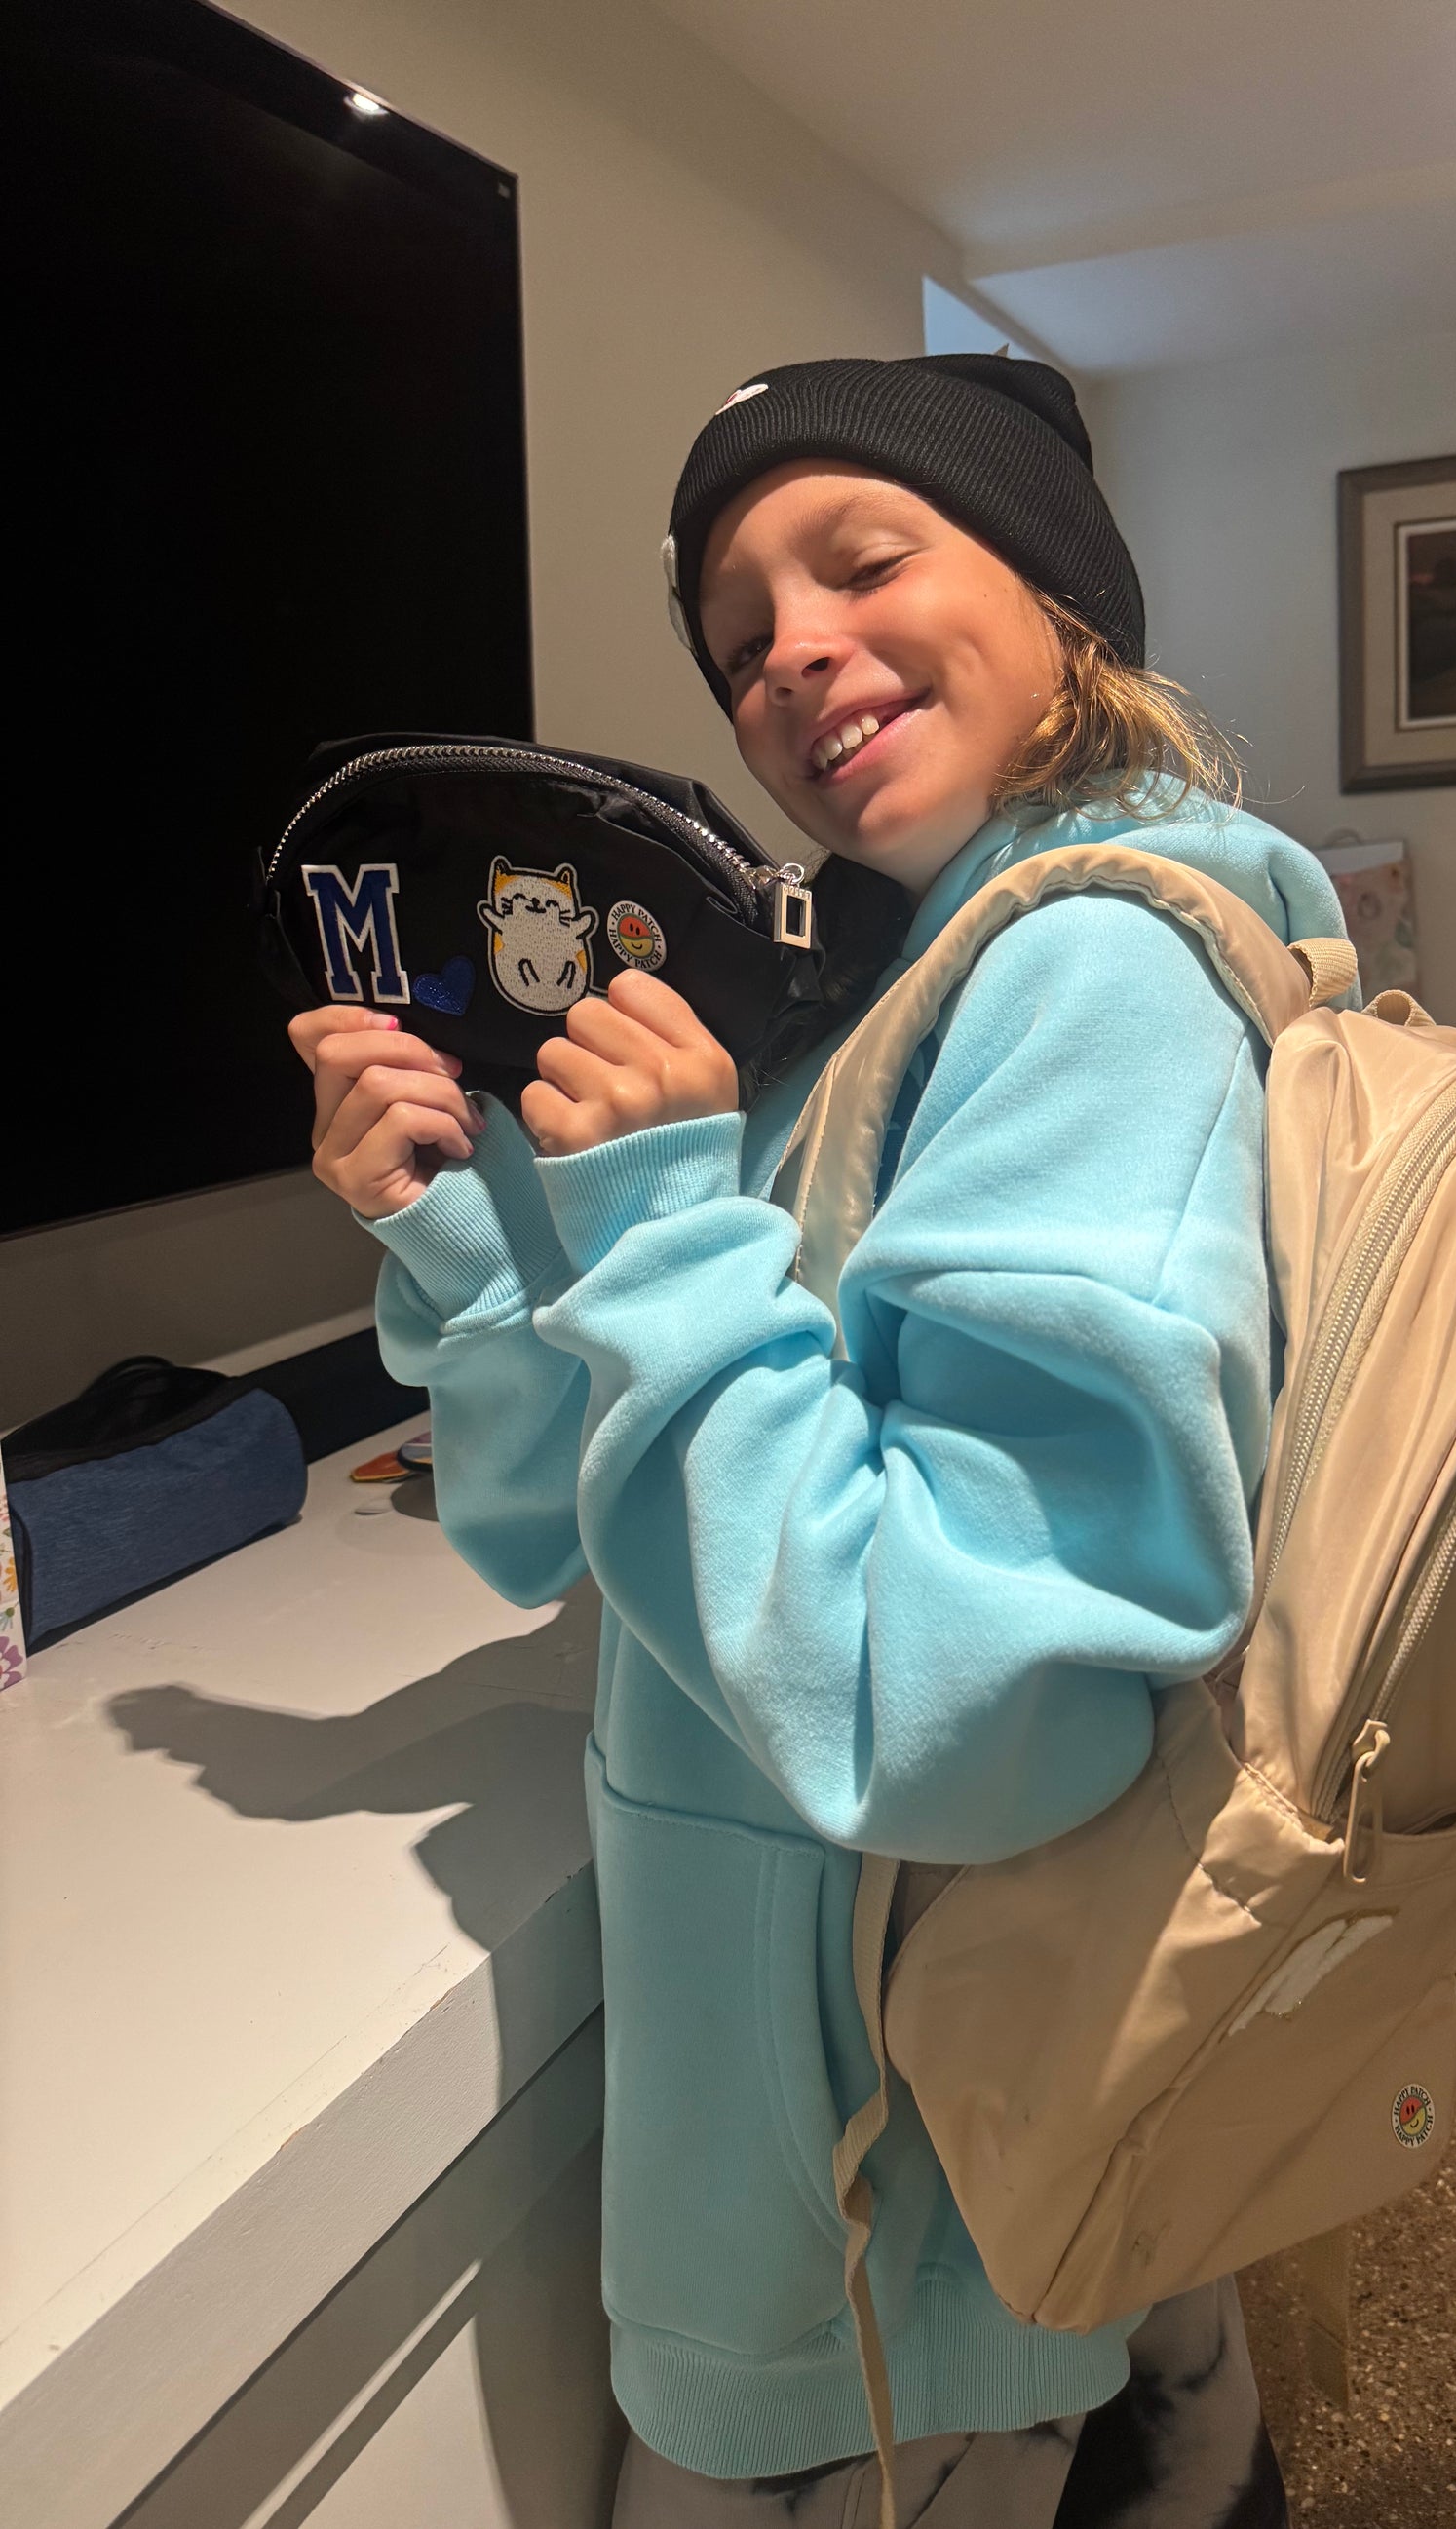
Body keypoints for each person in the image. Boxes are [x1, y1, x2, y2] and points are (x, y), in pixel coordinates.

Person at [292, 354, 1350, 2529]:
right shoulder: (871, 993)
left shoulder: (1086, 981)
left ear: (1061, 593)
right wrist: (465, 1237)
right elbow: (557, 1527)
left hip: (882, 2216)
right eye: (737, 632)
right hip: (860, 2123)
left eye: (862, 560)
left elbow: (959, 1713)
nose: (787, 649)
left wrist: (660, 1229)